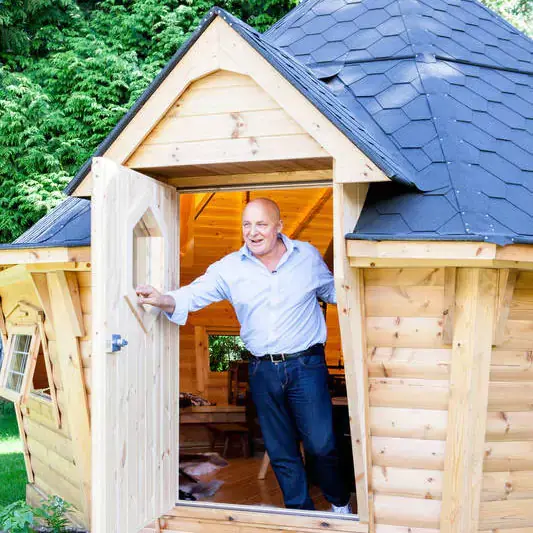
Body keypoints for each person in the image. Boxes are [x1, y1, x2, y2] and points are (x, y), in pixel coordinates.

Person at [135, 197, 351, 513]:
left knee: (321, 445)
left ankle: (339, 503)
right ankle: (299, 513)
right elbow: (194, 294)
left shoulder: (307, 256)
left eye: (261, 224)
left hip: (307, 366)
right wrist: (163, 299)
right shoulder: (229, 269)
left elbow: (334, 292)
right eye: (246, 225)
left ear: (279, 226)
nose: (253, 232)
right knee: (280, 449)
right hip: (263, 370)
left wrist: (359, 287)